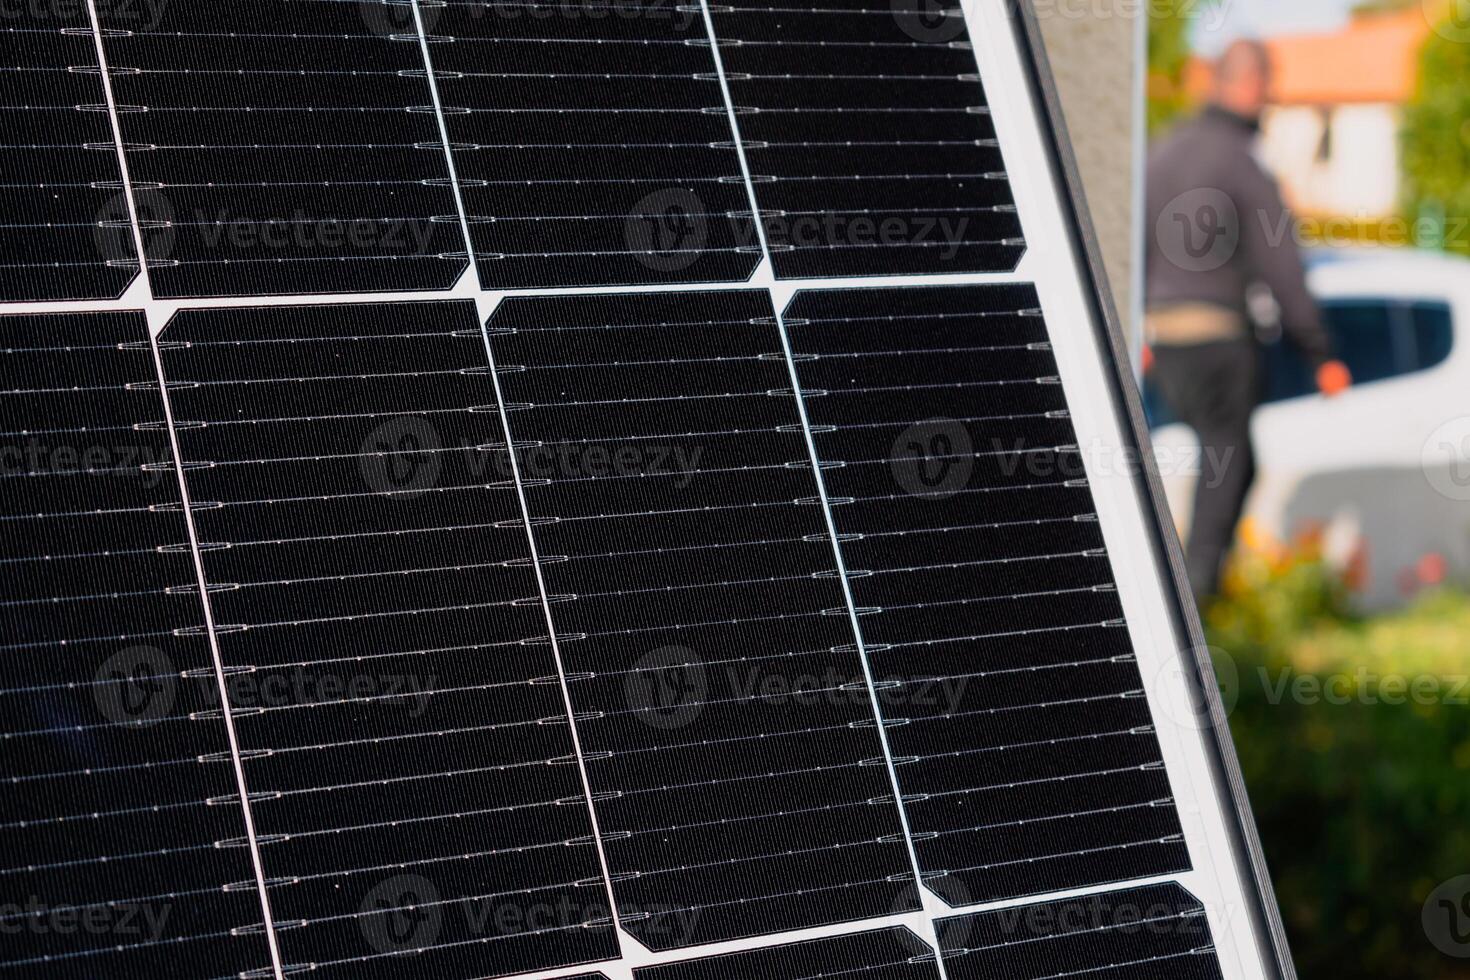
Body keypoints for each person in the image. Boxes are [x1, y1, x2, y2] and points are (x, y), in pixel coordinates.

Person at [1145, 38, 1352, 601]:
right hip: (1220, 339)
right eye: (1270, 86)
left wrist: (1139, 327)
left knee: (1221, 459)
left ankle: (1190, 593)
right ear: (1250, 84)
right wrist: (1322, 351)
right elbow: (1281, 262)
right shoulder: (1242, 160)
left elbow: (1131, 240)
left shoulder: (1161, 152)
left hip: (1165, 341)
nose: (1273, 98)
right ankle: (1196, 603)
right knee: (1227, 464)